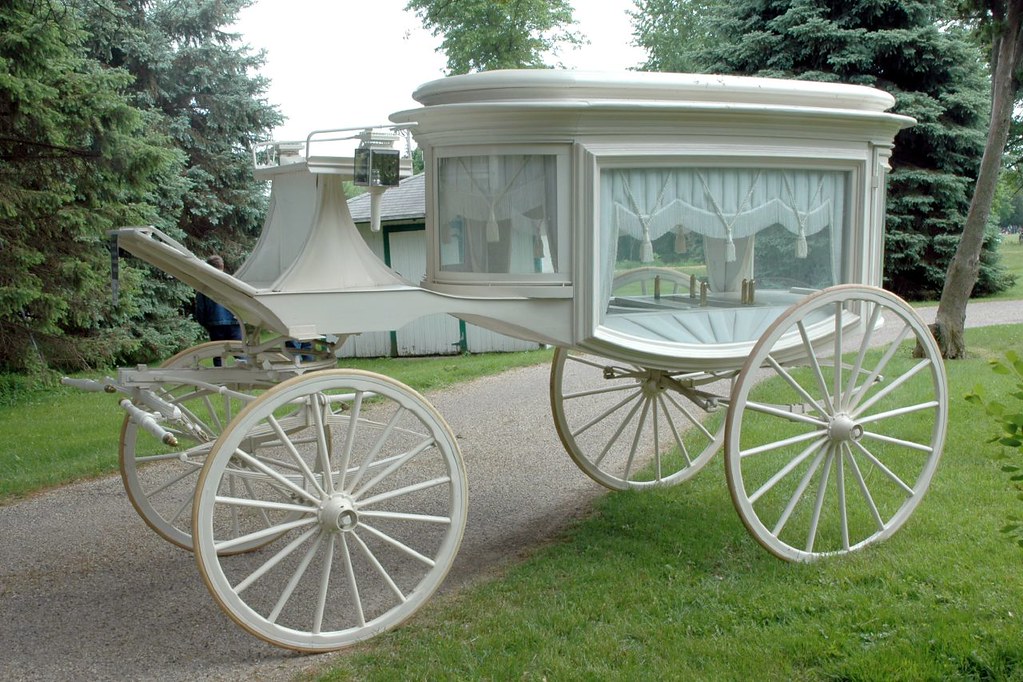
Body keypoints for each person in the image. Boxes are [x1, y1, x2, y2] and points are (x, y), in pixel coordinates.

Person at [194, 255, 242, 365]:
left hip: (214, 324)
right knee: (239, 351)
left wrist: (204, 323)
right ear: (222, 266)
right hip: (234, 321)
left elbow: (200, 309)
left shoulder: (204, 286)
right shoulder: (232, 282)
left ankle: (220, 379)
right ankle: (248, 376)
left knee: (218, 354)